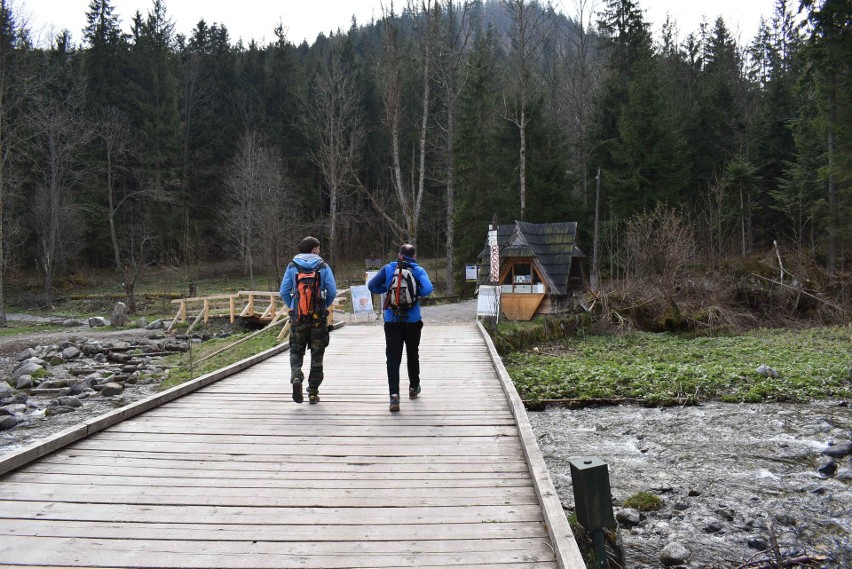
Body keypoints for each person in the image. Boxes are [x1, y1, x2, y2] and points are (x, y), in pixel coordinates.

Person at [368, 244, 433, 412]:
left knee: (393, 358)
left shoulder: (389, 268)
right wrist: (415, 292)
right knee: (413, 353)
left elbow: (372, 286)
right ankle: (413, 388)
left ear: (399, 254)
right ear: (414, 255)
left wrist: (387, 289)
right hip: (412, 320)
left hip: (392, 319)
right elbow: (428, 289)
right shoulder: (418, 270)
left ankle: (394, 396)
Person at [279, 236, 337, 404]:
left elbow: (283, 291)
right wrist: (324, 305)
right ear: (313, 250)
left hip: (298, 318)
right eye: (318, 249)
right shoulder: (323, 267)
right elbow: (332, 291)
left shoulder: (292, 267)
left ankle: (297, 376)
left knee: (296, 351)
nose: (319, 251)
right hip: (318, 319)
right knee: (317, 356)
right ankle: (313, 392)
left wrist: (293, 306)